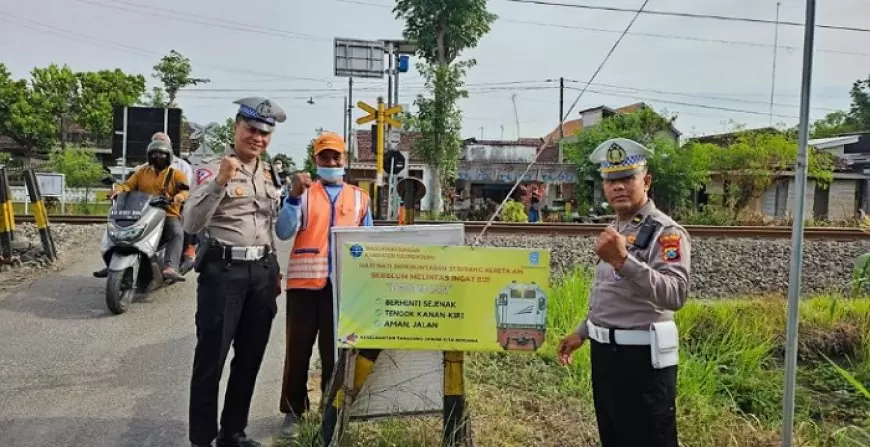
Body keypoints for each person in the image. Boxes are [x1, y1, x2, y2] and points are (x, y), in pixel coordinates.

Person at [555, 138, 691, 447]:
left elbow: (676, 294)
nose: (619, 186)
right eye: (611, 180)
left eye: (628, 177)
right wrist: (583, 332)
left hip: (642, 362)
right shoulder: (617, 228)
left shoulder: (666, 232)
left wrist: (623, 261)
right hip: (606, 357)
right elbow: (612, 296)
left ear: (647, 180)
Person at [182, 97, 286, 447]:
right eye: (251, 130)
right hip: (223, 273)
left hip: (261, 272)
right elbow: (192, 222)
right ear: (236, 127)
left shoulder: (268, 172)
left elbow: (268, 224)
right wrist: (219, 184)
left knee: (250, 357)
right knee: (211, 359)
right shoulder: (213, 169)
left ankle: (233, 433)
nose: (257, 138)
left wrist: (274, 267)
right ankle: (202, 439)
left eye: (264, 133)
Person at [274, 131, 373, 437]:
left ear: (345, 160)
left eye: (336, 156)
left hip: (341, 288)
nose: (331, 161)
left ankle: (331, 411)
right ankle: (293, 412)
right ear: (315, 160)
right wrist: (291, 197)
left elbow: (367, 243)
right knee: (298, 350)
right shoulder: (302, 193)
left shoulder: (359, 198)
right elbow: (283, 231)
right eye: (324, 156)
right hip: (304, 287)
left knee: (336, 353)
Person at [93, 139, 188, 281]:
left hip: (167, 212)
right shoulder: (141, 173)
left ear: (168, 156)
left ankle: (170, 267)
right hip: (142, 211)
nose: (158, 157)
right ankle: (112, 263)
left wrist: (179, 196)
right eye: (154, 154)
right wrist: (118, 191)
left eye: (162, 154)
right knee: (118, 230)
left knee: (177, 232)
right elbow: (127, 186)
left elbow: (186, 191)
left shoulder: (176, 174)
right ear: (149, 156)